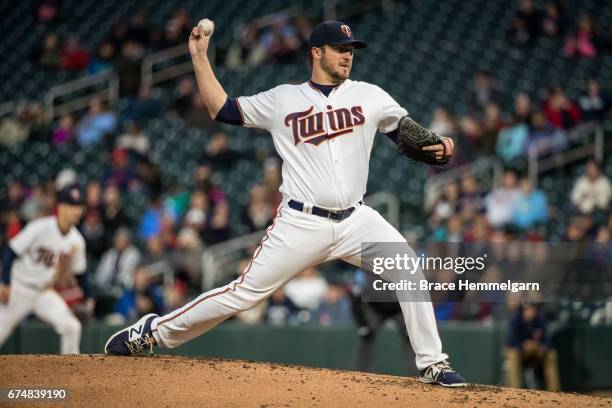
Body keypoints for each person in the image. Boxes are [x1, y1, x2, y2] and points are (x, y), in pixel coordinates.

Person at [105, 20, 465, 387]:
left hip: (356, 220)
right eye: (340, 49)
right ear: (316, 52)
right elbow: (223, 110)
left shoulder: (369, 95)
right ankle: (151, 332)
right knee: (241, 296)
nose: (347, 56)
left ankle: (432, 364)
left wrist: (437, 143)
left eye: (351, 50)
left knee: (407, 268)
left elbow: (406, 129)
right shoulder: (283, 99)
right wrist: (199, 57)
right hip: (301, 222)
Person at [0, 184, 93, 354]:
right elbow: (11, 252)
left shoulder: (77, 241)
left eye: (80, 206)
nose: (77, 210)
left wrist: (89, 298)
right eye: (72, 205)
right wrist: (6, 283)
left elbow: (81, 275)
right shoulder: (41, 227)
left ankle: (72, 373)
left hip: (44, 293)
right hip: (19, 288)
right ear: (61, 207)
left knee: (72, 327)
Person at [505, 303, 560, 391]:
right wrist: (523, 346)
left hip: (537, 351)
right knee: (512, 353)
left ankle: (554, 390)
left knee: (551, 354)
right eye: (526, 310)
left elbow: (548, 338)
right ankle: (514, 389)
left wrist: (544, 346)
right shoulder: (516, 319)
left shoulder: (540, 319)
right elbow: (512, 341)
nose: (529, 312)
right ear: (522, 311)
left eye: (531, 309)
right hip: (522, 352)